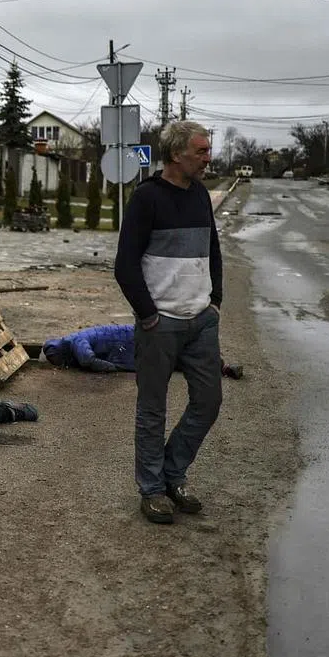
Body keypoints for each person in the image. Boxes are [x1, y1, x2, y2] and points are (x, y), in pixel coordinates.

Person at [114, 120, 223, 525]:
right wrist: (148, 315)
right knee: (152, 409)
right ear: (176, 154)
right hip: (160, 323)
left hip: (201, 321)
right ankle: (153, 489)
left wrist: (215, 301)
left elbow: (213, 250)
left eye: (208, 150)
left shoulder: (201, 196)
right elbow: (125, 265)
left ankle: (173, 473)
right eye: (201, 151)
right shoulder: (147, 198)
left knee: (208, 401)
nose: (208, 157)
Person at [43, 324, 244, 379]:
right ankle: (220, 366)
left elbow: (87, 358)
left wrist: (108, 367)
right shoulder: (74, 340)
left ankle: (221, 365)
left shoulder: (75, 340)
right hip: (129, 344)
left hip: (130, 343)